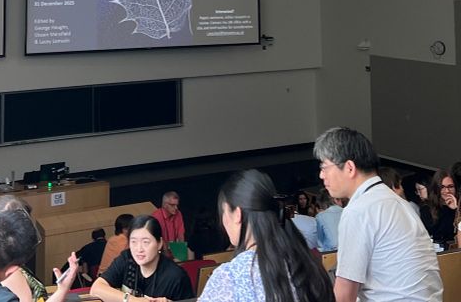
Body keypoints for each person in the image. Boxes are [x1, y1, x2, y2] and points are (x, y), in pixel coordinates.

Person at [314, 126, 442, 302]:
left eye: (324, 167)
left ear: (349, 168)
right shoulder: (400, 204)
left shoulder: (359, 210)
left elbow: (344, 296)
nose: (321, 175)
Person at [197, 169, 334, 302]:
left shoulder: (229, 278)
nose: (223, 222)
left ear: (237, 214)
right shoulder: (309, 265)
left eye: (224, 213)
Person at [89, 215, 193, 302]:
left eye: (145, 242)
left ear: (159, 243)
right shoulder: (126, 258)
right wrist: (133, 300)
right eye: (134, 241)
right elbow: (96, 289)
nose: (139, 249)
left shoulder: (176, 277)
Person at [420, 168, 458, 244]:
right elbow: (435, 232)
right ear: (436, 188)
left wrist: (456, 209)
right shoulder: (427, 209)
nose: (447, 191)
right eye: (442, 187)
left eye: (450, 186)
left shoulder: (459, 206)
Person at [151, 192, 184, 259]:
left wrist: (181, 254)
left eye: (177, 205)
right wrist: (168, 256)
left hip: (174, 246)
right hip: (160, 250)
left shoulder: (178, 213)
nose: (176, 208)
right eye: (173, 205)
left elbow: (181, 234)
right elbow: (160, 239)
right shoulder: (156, 216)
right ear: (165, 205)